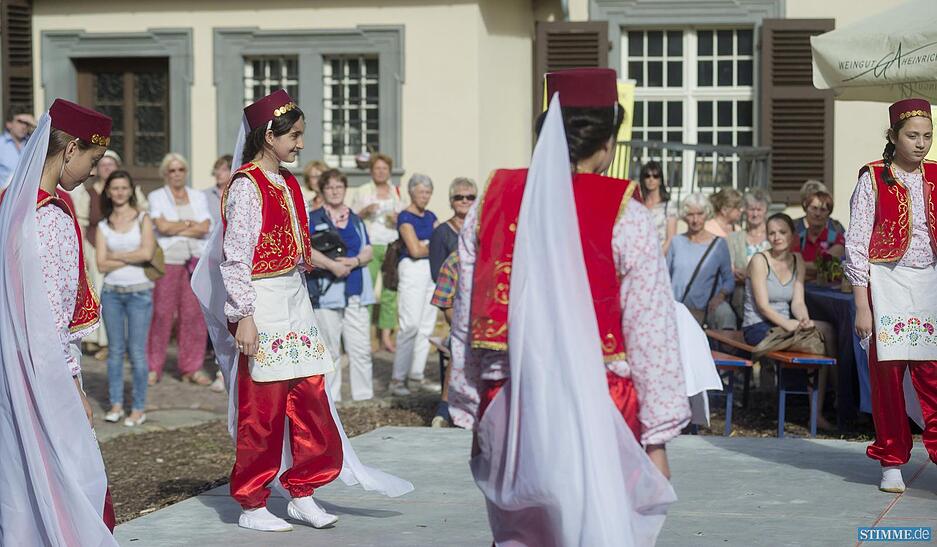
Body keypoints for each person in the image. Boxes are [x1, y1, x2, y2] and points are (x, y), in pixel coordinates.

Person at [450, 68, 689, 544]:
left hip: (513, 393)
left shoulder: (493, 199)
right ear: (606, 142)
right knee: (600, 527)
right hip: (600, 396)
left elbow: (467, 311)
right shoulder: (625, 209)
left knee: (523, 531)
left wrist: (470, 401)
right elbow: (650, 326)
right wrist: (657, 435)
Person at [191, 89, 412, 532]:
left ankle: (302, 489)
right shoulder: (246, 187)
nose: (299, 144)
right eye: (293, 135)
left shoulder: (289, 183)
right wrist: (245, 315)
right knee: (264, 409)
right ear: (267, 136)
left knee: (311, 397)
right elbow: (235, 258)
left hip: (294, 299)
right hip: (262, 302)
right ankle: (253, 502)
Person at [0, 98, 118, 543]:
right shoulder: (48, 217)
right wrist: (73, 386)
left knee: (19, 465)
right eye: (93, 159)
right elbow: (50, 312)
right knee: (70, 467)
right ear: (70, 150)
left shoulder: (11, 203)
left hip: (10, 358)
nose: (93, 171)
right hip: (44, 367)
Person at [844, 98, 937, 494]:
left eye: (927, 136)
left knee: (932, 375)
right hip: (885, 283)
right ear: (893, 136)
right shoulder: (872, 177)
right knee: (887, 376)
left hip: (930, 282)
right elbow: (857, 243)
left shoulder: (935, 175)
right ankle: (892, 459)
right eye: (912, 136)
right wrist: (862, 305)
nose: (921, 144)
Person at [742, 213, 835, 430]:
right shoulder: (759, 260)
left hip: (785, 323)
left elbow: (798, 301)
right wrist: (789, 324)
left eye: (782, 232)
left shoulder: (797, 260)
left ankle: (834, 397)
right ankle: (819, 411)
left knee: (827, 330)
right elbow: (763, 306)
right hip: (759, 326)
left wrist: (802, 319)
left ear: (792, 235)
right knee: (817, 346)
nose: (776, 237)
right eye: (772, 233)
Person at [308, 168, 376, 401]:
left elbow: (368, 249)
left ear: (345, 189)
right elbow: (306, 251)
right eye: (330, 187)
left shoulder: (356, 219)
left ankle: (363, 398)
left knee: (360, 348)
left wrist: (355, 260)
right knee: (330, 349)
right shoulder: (313, 218)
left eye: (339, 187)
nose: (335, 191)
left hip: (355, 290)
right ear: (322, 190)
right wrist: (331, 265)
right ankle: (330, 400)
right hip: (325, 292)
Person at [96, 170, 156, 427]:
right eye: (114, 188)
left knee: (137, 352)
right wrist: (131, 254)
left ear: (131, 190)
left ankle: (138, 407)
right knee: (115, 351)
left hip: (139, 292)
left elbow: (147, 253)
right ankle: (116, 404)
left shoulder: (143, 218)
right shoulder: (102, 225)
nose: (119, 192)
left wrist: (115, 258)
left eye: (123, 187)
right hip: (111, 294)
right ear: (108, 192)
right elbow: (100, 264)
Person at [147, 152, 213, 385]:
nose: (176, 174)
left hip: (195, 260)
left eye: (180, 170)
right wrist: (189, 225)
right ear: (165, 174)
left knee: (193, 315)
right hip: (168, 259)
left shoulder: (197, 196)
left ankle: (191, 367)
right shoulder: (157, 196)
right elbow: (161, 227)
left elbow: (205, 226)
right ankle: (153, 366)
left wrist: (177, 226)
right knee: (162, 314)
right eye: (172, 170)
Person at [349, 153, 406, 352]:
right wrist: (365, 211)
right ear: (371, 171)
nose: (381, 172)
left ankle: (386, 336)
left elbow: (405, 220)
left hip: (392, 245)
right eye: (377, 168)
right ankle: (366, 336)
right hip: (370, 245)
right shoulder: (363, 190)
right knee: (369, 290)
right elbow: (350, 218)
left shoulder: (397, 191)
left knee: (390, 291)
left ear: (389, 171)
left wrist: (398, 218)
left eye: (384, 168)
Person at [389, 174, 439, 396]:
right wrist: (431, 246)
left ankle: (416, 376)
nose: (425, 197)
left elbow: (438, 244)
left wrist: (427, 246)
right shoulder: (405, 217)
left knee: (427, 326)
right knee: (410, 325)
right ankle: (397, 379)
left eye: (428, 192)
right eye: (421, 192)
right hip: (412, 270)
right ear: (411, 192)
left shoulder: (431, 216)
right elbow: (415, 250)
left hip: (430, 272)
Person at [667, 193, 736, 329]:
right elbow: (664, 277)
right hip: (679, 309)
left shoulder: (719, 244)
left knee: (726, 315)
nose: (695, 219)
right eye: (690, 214)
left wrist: (720, 296)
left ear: (707, 214)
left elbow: (729, 280)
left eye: (700, 214)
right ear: (684, 216)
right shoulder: (676, 242)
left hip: (708, 309)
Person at [727, 189, 771, 316]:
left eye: (759, 209)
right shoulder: (733, 238)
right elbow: (731, 272)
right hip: (740, 300)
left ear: (766, 211)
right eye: (751, 209)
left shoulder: (773, 238)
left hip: (770, 299)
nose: (755, 214)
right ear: (745, 210)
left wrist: (747, 274)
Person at [429, 177, 476, 284]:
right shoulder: (441, 232)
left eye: (470, 197)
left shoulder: (481, 229)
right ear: (451, 202)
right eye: (459, 197)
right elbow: (436, 273)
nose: (465, 201)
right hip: (454, 293)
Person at [793, 190, 846, 279]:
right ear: (806, 210)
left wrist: (801, 268)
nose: (818, 214)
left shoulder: (837, 238)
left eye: (823, 210)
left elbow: (825, 266)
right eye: (814, 208)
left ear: (829, 213)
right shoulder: (798, 239)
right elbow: (791, 265)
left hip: (828, 292)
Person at [640, 160, 677, 254]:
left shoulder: (669, 206)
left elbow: (671, 239)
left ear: (660, 180)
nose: (651, 179)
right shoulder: (638, 205)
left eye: (655, 176)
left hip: (660, 257)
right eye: (647, 176)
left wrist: (656, 258)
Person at [0, 104, 36, 183]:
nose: (24, 126)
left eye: (27, 123)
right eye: (20, 122)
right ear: (9, 124)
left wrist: (35, 125)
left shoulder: (33, 144)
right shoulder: (1, 144)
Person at [203, 154, 233, 226]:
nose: (219, 173)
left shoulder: (238, 195)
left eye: (224, 170)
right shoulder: (203, 195)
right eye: (217, 169)